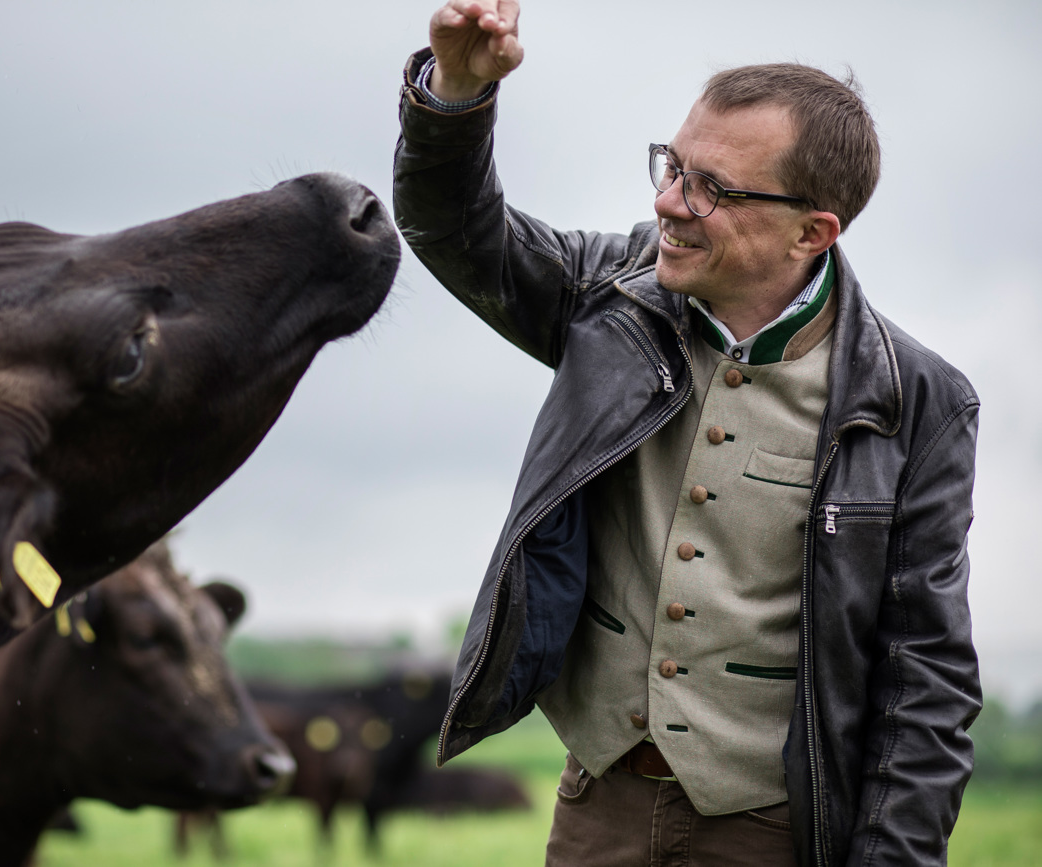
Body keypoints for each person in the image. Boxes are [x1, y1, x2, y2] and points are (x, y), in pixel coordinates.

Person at [392, 2, 981, 865]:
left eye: (711, 187)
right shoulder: (610, 297)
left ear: (812, 232)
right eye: (673, 166)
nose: (669, 201)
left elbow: (925, 674)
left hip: (777, 830)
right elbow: (456, 231)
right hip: (595, 806)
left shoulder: (916, 401)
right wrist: (457, 93)